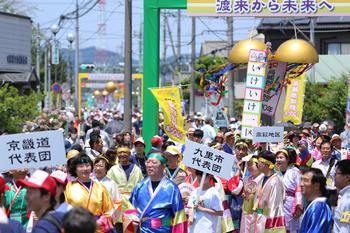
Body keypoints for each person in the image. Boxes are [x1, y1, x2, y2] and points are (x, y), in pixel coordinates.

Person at [124, 152, 187, 232]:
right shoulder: (140, 186)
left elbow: (179, 216)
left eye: (154, 163)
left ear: (163, 166)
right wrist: (132, 219)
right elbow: (130, 207)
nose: (150, 165)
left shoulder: (171, 188)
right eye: (148, 162)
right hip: (141, 230)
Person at [65, 155, 114, 233]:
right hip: (77, 227)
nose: (85, 169)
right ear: (75, 169)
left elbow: (109, 210)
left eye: (87, 165)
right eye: (81, 166)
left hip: (98, 227)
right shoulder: (68, 187)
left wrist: (101, 221)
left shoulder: (100, 187)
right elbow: (64, 210)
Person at [107, 146, 143, 231]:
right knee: (118, 228)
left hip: (132, 203)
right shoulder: (113, 170)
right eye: (120, 152)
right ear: (117, 155)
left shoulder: (137, 169)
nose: (122, 154)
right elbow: (108, 186)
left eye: (125, 152)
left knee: (131, 227)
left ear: (129, 154)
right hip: (117, 204)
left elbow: (141, 186)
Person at [252, 150, 286, 232]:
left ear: (265, 164)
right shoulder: (261, 178)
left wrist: (271, 227)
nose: (257, 164)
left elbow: (275, 206)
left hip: (267, 221)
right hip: (259, 217)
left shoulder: (275, 181)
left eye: (259, 162)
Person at [276, 148, 303, 232]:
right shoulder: (277, 173)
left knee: (291, 227)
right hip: (278, 202)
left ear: (287, 159)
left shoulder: (295, 171)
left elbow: (299, 189)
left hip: (291, 202)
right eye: (277, 157)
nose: (278, 160)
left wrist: (298, 207)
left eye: (281, 157)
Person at [299, 168, 332, 233]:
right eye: (301, 180)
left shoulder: (319, 207)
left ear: (316, 185)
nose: (301, 184)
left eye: (306, 180)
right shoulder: (313, 204)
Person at [240, 154, 263, 233]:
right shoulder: (247, 179)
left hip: (258, 210)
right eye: (247, 165)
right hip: (246, 210)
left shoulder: (264, 179)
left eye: (251, 164)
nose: (249, 167)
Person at [312, 140, 338, 206]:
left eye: (328, 148)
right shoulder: (315, 164)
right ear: (320, 150)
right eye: (323, 148)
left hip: (331, 193)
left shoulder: (336, 164)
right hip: (318, 193)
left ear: (332, 150)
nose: (325, 150)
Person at [333, 160, 350, 232]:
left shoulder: (347, 200)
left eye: (337, 174)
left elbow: (345, 229)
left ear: (347, 177)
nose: (334, 177)